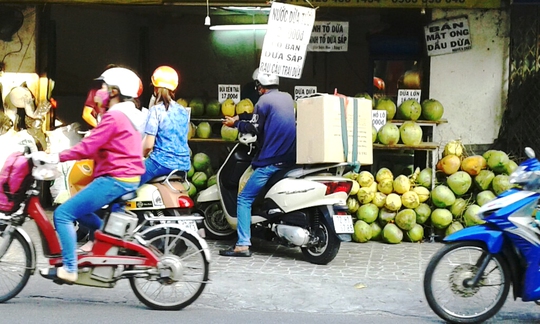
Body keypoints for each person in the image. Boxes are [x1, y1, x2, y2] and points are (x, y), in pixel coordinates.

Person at [38, 67, 145, 283]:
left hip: (115, 179)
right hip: (126, 177)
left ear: (115, 91)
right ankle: (107, 239)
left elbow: (86, 147)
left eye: (104, 87)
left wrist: (56, 157)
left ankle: (69, 268)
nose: (100, 91)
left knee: (63, 214)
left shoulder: (115, 116)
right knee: (81, 211)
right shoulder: (130, 114)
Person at [219, 71, 296, 257]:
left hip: (270, 161)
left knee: (244, 198)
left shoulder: (263, 101)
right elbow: (262, 119)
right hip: (289, 159)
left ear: (260, 86)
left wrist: (234, 125)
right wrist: (240, 118)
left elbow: (255, 126)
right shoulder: (287, 98)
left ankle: (242, 244)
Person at [140, 66, 190, 185]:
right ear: (174, 89)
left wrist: (137, 156)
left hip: (161, 163)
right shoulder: (183, 111)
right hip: (184, 165)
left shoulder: (156, 111)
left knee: (125, 182)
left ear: (155, 89)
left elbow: (147, 146)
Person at [81, 64, 117, 130]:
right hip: (98, 130)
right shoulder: (95, 92)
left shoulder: (120, 95)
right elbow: (86, 114)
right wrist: (100, 128)